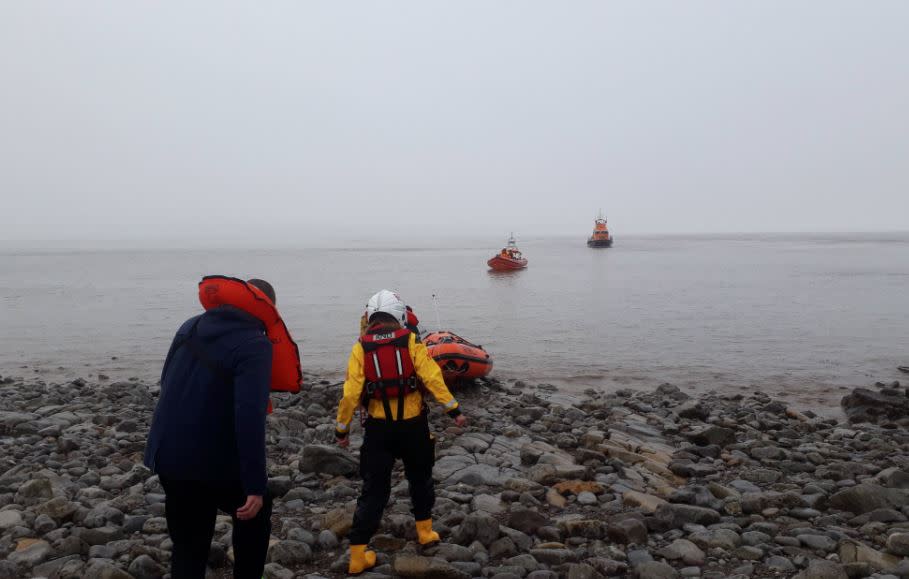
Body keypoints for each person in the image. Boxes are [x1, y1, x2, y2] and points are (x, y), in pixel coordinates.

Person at [144, 275, 302, 579]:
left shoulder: (189, 326)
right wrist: (254, 486)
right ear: (268, 309)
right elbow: (249, 417)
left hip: (168, 456)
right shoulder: (255, 343)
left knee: (188, 547)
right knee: (256, 510)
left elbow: (167, 383)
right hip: (209, 462)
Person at [336, 290, 467, 575]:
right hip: (413, 428)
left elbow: (350, 393)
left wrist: (341, 429)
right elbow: (432, 378)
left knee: (374, 490)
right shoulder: (411, 341)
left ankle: (358, 554)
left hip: (378, 431)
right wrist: (453, 410)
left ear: (371, 317)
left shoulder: (361, 347)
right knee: (420, 479)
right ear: (400, 315)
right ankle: (424, 533)